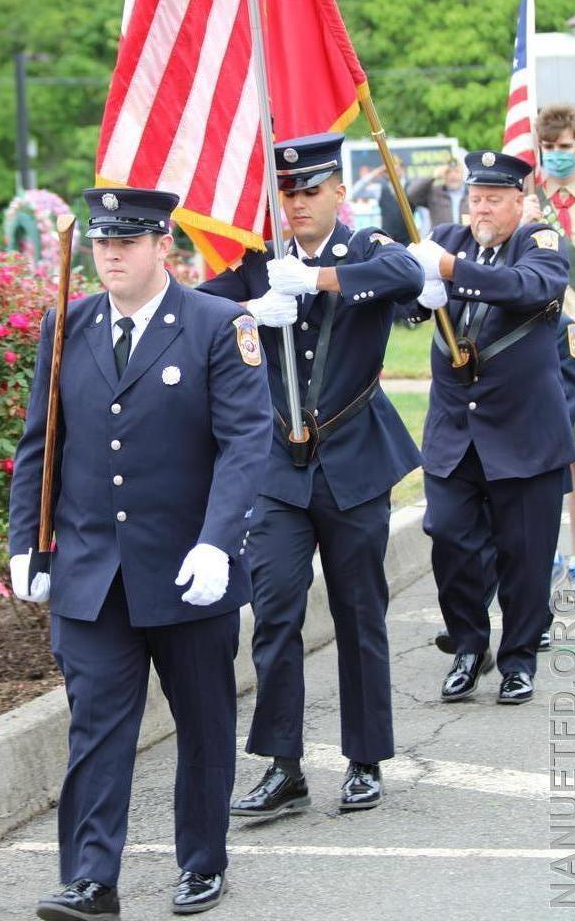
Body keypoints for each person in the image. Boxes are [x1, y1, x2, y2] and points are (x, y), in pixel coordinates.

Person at [8, 187, 273, 920]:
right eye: (101, 242)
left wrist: (220, 541)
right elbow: (43, 443)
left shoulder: (219, 325)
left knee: (204, 721)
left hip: (188, 570)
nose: (111, 254)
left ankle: (201, 863)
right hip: (93, 574)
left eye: (127, 241)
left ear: (165, 246)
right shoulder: (69, 324)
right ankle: (91, 879)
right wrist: (26, 544)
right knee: (95, 727)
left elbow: (246, 442)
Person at [199, 133, 424, 816]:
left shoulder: (365, 252)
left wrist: (322, 280)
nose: (294, 203)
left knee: (359, 615)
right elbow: (194, 310)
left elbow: (409, 279)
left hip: (353, 459)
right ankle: (283, 764)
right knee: (273, 615)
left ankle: (363, 759)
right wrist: (243, 310)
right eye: (285, 192)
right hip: (276, 470)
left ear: (336, 193)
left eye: (307, 190)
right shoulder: (258, 262)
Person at [407, 150, 575, 706]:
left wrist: (449, 273)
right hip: (455, 434)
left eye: (495, 199)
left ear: (519, 202)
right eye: (476, 197)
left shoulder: (539, 242)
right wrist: (415, 287)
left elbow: (530, 289)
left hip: (524, 434)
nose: (482, 208)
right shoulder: (448, 237)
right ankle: (468, 646)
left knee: (524, 555)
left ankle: (519, 659)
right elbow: (403, 297)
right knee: (450, 540)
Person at [432, 309, 575, 655]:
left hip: (532, 453)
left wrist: (538, 445)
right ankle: (469, 627)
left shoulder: (556, 325)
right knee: (473, 544)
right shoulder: (466, 325)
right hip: (476, 454)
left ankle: (533, 624)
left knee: (526, 549)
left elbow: (569, 393)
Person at [522, 103, 575, 603]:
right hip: (539, 343)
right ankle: (540, 555)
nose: (558, 156)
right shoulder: (528, 202)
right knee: (543, 459)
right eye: (550, 148)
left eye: (566, 147)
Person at [351, 157, 412, 245]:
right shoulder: (380, 188)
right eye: (390, 167)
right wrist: (376, 172)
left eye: (396, 167)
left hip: (409, 239)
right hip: (387, 238)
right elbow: (355, 192)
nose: (394, 170)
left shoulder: (411, 187)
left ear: (402, 169)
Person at [406, 157, 469, 227]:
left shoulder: (471, 193)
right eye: (448, 172)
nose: (453, 175)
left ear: (462, 173)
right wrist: (433, 176)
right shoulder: (435, 192)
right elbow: (411, 194)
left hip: (465, 237)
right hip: (441, 237)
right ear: (443, 174)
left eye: (456, 171)